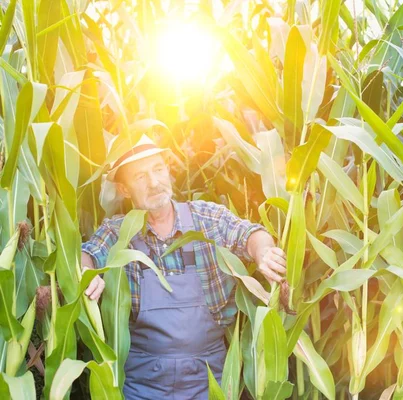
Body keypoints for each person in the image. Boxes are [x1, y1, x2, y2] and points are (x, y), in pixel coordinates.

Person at [81, 134, 287, 399]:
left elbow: (250, 235)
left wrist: (265, 252)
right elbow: (88, 254)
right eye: (140, 176)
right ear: (123, 189)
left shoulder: (207, 218)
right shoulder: (117, 232)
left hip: (208, 380)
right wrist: (86, 273)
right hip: (142, 385)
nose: (154, 182)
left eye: (158, 169)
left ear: (167, 170)